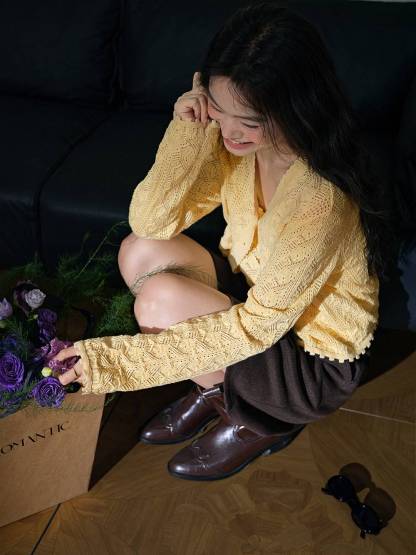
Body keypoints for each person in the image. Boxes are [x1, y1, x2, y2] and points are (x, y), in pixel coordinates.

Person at [51, 2, 388, 481]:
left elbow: (258, 328)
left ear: (295, 105)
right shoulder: (240, 146)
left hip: (306, 361)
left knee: (158, 300)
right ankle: (215, 390)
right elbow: (151, 219)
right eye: (218, 108)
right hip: (255, 296)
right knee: (138, 249)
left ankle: (259, 422)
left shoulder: (322, 198)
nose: (228, 131)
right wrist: (188, 130)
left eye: (247, 120)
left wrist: (106, 364)